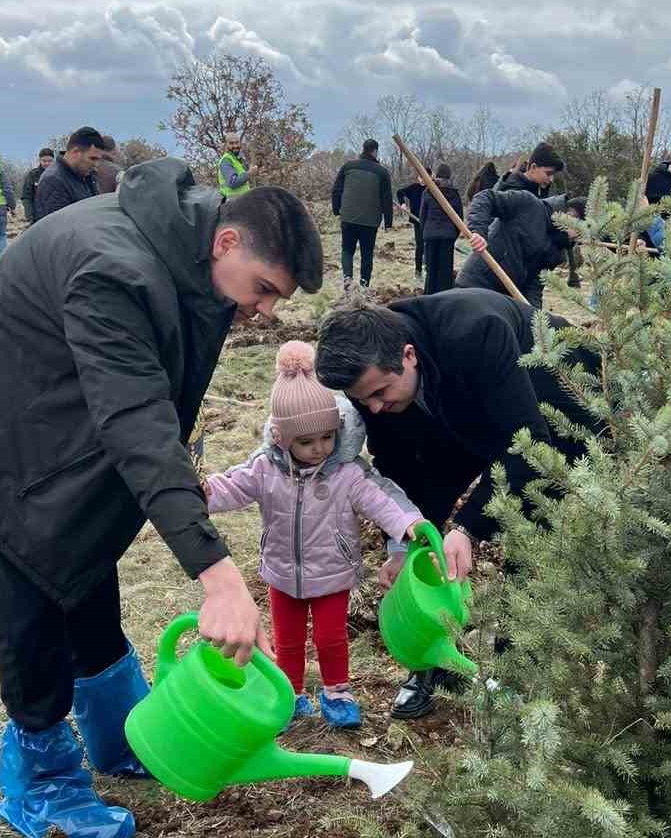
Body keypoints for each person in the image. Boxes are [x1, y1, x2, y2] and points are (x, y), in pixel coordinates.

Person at [0, 164, 323, 838]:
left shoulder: (193, 261)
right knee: (30, 592)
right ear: (228, 242)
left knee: (85, 547)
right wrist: (217, 574)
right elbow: (135, 420)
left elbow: (152, 398)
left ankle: (120, 728)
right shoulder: (114, 270)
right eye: (266, 289)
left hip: (49, 404)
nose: (266, 312)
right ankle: (39, 779)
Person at [315, 289, 597, 719]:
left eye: (379, 393)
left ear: (408, 356)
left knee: (529, 525)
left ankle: (512, 670)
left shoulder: (475, 332)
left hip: (555, 407)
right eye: (363, 399)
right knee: (428, 531)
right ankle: (437, 656)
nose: (374, 407)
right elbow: (398, 465)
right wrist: (404, 545)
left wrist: (467, 528)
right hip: (457, 414)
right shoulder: (374, 374)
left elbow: (528, 444)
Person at [204, 340, 423, 727]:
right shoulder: (266, 470)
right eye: (305, 442)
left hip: (333, 572)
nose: (320, 448)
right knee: (286, 640)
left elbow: (381, 500)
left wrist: (405, 524)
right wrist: (202, 493)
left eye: (327, 436)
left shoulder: (347, 473)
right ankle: (290, 693)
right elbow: (233, 487)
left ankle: (337, 690)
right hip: (282, 572)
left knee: (330, 637)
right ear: (282, 439)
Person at [457, 185, 586, 308]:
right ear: (570, 216)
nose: (579, 237)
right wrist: (479, 232)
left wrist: (534, 317)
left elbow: (534, 284)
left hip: (504, 299)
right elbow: (485, 197)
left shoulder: (557, 248)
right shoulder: (527, 204)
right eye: (580, 230)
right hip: (477, 284)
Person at [331, 139, 393, 290]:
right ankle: (364, 286)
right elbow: (387, 199)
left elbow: (336, 191)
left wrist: (337, 210)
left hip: (348, 217)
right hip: (370, 221)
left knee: (347, 249)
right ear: (375, 151)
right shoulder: (382, 172)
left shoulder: (348, 167)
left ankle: (347, 277)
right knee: (367, 253)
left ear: (363, 149)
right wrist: (388, 222)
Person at [35, 126, 106, 220]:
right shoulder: (53, 181)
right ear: (75, 152)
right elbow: (59, 228)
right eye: (92, 158)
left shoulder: (87, 176)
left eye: (98, 159)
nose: (96, 164)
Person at [419, 163, 466, 295]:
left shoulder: (428, 191)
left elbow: (422, 216)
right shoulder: (454, 194)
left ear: (436, 175)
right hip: (448, 236)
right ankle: (444, 298)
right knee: (445, 271)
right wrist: (453, 234)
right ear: (449, 176)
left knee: (431, 269)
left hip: (430, 235)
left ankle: (428, 296)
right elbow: (459, 219)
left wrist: (426, 231)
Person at [396, 175, 425, 279]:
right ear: (418, 178)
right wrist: (403, 204)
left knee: (428, 247)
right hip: (417, 222)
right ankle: (418, 272)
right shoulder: (414, 188)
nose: (423, 180)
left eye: (425, 177)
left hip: (429, 222)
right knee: (420, 246)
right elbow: (400, 192)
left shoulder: (432, 188)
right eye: (421, 177)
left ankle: (429, 269)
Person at [21, 148, 55, 224]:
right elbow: (26, 197)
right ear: (40, 160)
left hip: (55, 216)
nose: (47, 163)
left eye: (50, 161)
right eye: (44, 161)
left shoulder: (59, 174)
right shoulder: (32, 175)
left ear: (53, 160)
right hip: (37, 217)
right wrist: (29, 216)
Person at [217, 132, 251, 198]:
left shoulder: (237, 160)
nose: (235, 146)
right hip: (232, 202)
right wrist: (249, 174)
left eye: (237, 142)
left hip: (242, 200)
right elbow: (233, 183)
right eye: (231, 143)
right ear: (226, 145)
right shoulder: (226, 160)